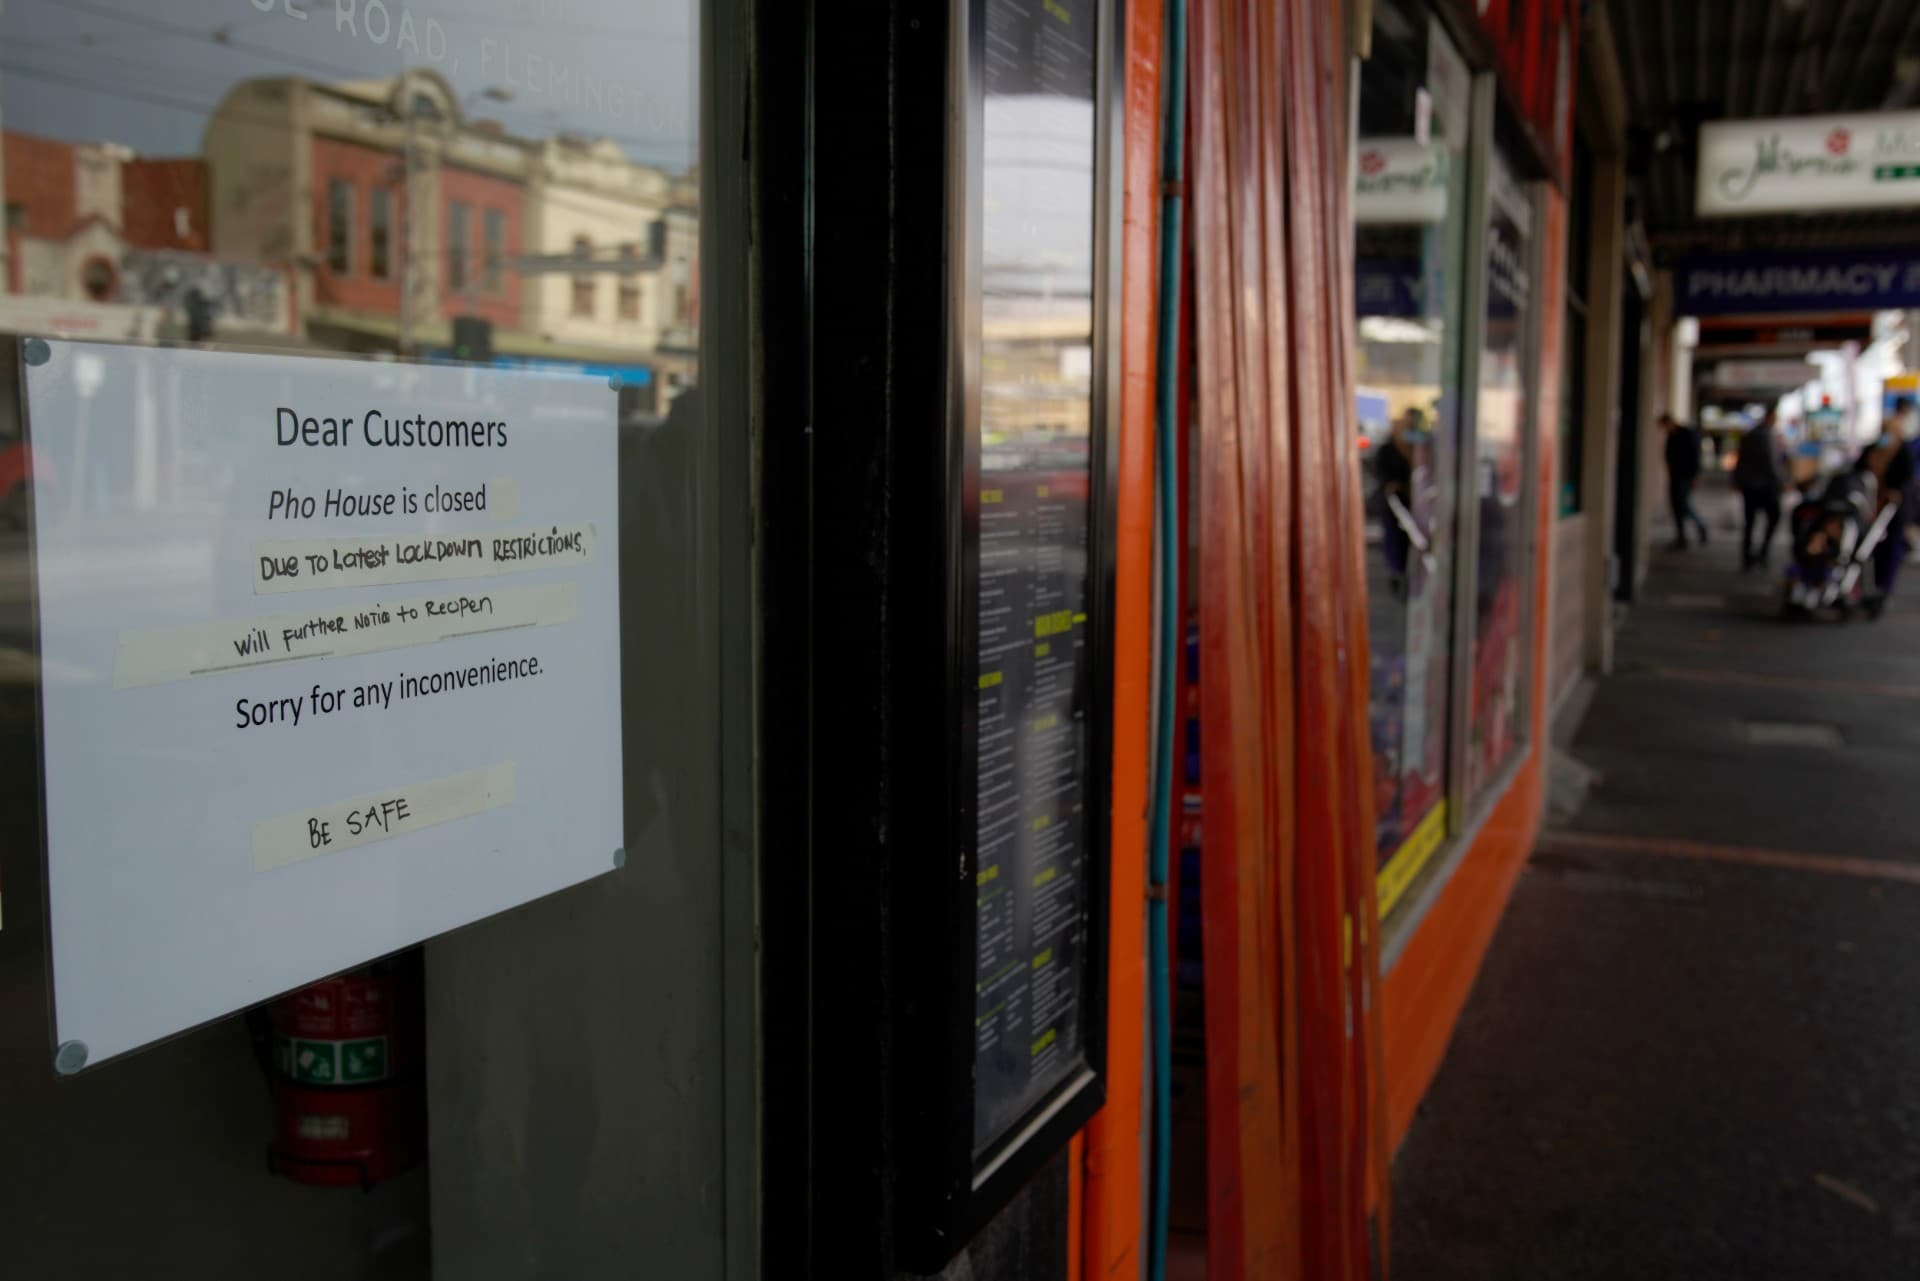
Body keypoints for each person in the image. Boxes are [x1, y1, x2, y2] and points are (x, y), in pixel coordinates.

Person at [1857, 399, 1918, 602]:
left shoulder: (1903, 452)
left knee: (1892, 548)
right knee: (1872, 546)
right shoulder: (1871, 450)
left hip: (1893, 509)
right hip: (1872, 505)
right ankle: (1871, 585)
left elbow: (1906, 479)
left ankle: (1884, 588)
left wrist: (1895, 492)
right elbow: (1858, 471)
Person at [1733, 408, 1787, 571]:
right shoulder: (1766, 436)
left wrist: (1737, 480)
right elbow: (1771, 462)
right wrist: (1781, 481)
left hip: (1749, 485)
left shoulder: (1750, 434)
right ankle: (1762, 553)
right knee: (1773, 517)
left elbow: (1740, 459)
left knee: (1749, 523)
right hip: (1765, 487)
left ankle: (1747, 557)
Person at [1373, 408, 1417, 597]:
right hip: (1392, 502)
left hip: (1411, 501)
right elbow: (1380, 473)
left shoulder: (1415, 448)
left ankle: (1404, 574)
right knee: (1393, 538)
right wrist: (1392, 485)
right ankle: (1397, 573)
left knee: (1407, 541)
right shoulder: (1387, 450)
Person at [1661, 412, 1707, 549]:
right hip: (1675, 476)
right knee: (1677, 507)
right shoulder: (1672, 435)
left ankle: (1700, 525)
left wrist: (1695, 476)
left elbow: (1695, 455)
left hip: (1685, 476)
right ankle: (1681, 537)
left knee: (1684, 505)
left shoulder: (1686, 434)